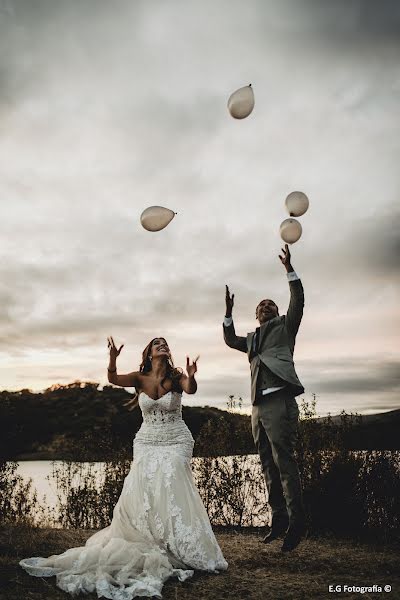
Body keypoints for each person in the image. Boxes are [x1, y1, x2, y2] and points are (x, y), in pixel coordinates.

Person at [20, 336, 228, 598]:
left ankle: (182, 544)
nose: (162, 346)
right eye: (157, 344)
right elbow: (113, 379)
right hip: (146, 439)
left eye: (165, 343)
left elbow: (191, 388)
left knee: (172, 475)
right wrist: (112, 359)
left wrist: (193, 375)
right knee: (143, 486)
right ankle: (152, 539)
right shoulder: (139, 378)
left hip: (176, 439)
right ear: (149, 353)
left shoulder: (176, 376)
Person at [223, 244, 306, 552]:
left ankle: (298, 522)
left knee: (284, 463)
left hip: (280, 403)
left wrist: (289, 269)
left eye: (271, 304)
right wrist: (228, 313)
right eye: (261, 306)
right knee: (267, 465)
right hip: (257, 408)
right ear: (256, 315)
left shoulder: (286, 326)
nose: (267, 306)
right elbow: (231, 339)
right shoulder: (252, 339)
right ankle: (279, 521)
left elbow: (297, 300)